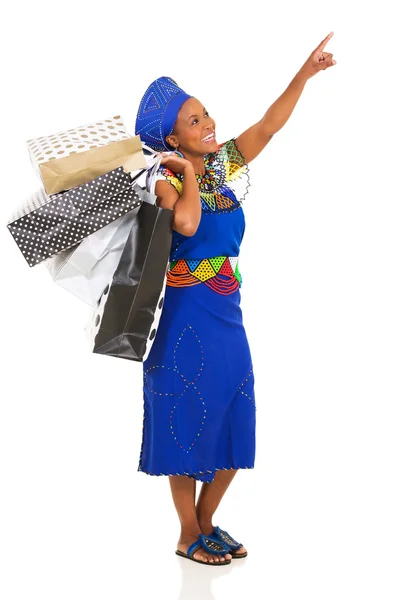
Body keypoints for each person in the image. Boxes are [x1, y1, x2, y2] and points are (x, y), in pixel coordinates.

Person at [134, 32, 336, 566]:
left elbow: (268, 127)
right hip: (181, 315)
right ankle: (186, 533)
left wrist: (304, 74)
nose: (209, 125)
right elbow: (186, 222)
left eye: (207, 115)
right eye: (194, 121)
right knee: (185, 417)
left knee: (232, 412)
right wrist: (187, 175)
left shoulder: (220, 169)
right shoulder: (162, 176)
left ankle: (205, 523)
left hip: (226, 310)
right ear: (173, 139)